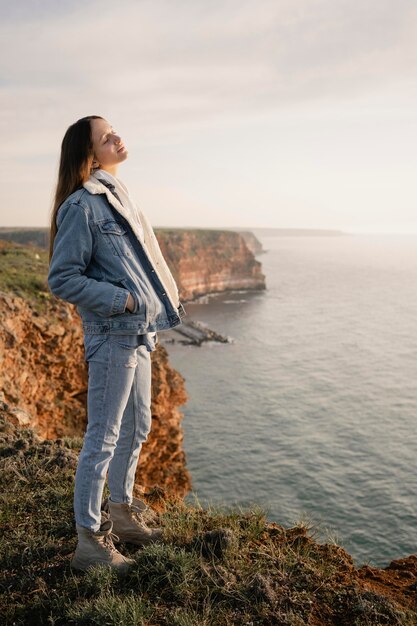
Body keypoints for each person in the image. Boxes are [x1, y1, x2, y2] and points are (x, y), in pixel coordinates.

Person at [48, 115, 186, 572]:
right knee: (103, 438)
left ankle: (123, 514)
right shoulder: (80, 207)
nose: (116, 137)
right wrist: (123, 300)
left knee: (138, 426)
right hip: (112, 335)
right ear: (89, 155)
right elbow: (62, 277)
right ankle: (90, 542)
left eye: (114, 130)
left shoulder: (119, 200)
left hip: (138, 334)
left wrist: (142, 307)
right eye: (105, 136)